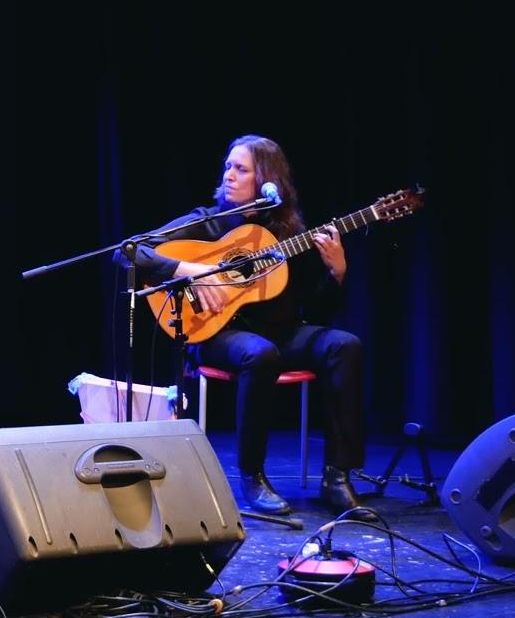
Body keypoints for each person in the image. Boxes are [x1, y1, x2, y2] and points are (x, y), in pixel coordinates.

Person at [117, 134, 370, 520]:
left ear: (267, 179)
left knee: (345, 344)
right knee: (260, 353)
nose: (229, 175)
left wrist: (337, 272)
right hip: (217, 335)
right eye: (228, 167)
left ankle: (337, 477)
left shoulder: (287, 234)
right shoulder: (207, 222)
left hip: (281, 332)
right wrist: (188, 269)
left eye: (242, 169)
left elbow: (317, 311)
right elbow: (128, 252)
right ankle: (252, 476)